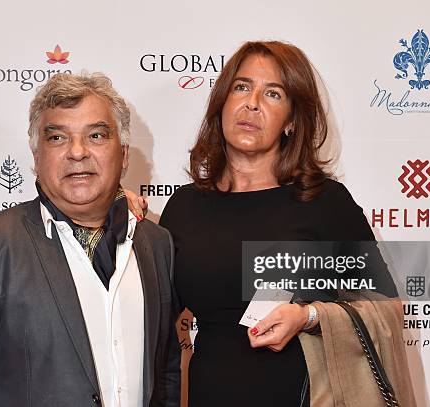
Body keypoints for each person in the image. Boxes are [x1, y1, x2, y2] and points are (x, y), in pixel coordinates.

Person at [138, 41, 414, 406]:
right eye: (241, 87)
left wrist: (309, 316)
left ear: (292, 121)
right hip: (211, 392)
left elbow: (388, 307)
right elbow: (152, 315)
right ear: (221, 102)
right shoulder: (185, 205)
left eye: (273, 94)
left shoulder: (325, 202)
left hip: (306, 396)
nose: (252, 103)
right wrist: (114, 209)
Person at [0, 72, 180, 407]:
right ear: (36, 157)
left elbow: (166, 377)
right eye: (57, 138)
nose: (77, 152)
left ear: (125, 154)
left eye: (97, 135)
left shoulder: (156, 244)